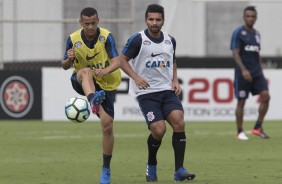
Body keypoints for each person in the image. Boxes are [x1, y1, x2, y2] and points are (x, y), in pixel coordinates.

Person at [119, 4, 196, 182]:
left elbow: (173, 60)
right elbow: (122, 60)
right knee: (158, 130)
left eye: (158, 20)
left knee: (179, 122)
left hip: (167, 91)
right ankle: (151, 165)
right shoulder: (138, 39)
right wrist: (135, 77)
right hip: (147, 93)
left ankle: (179, 170)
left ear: (163, 21)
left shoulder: (170, 40)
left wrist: (175, 79)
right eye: (151, 19)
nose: (154, 23)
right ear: (146, 20)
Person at [61, 7, 121, 184]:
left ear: (98, 21)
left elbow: (117, 61)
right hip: (82, 81)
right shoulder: (73, 39)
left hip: (105, 83)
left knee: (107, 126)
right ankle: (92, 99)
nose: (90, 27)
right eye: (86, 23)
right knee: (86, 71)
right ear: (81, 23)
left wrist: (106, 70)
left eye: (93, 23)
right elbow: (64, 65)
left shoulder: (106, 36)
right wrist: (69, 59)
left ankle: (106, 169)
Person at [230, 6, 270, 140]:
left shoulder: (257, 34)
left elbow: (257, 54)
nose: (250, 18)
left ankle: (257, 127)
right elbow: (235, 53)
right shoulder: (238, 33)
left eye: (253, 16)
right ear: (244, 17)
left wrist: (261, 71)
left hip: (257, 72)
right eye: (248, 16)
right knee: (241, 101)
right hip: (243, 73)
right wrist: (243, 70)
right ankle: (240, 131)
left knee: (266, 96)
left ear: (256, 18)